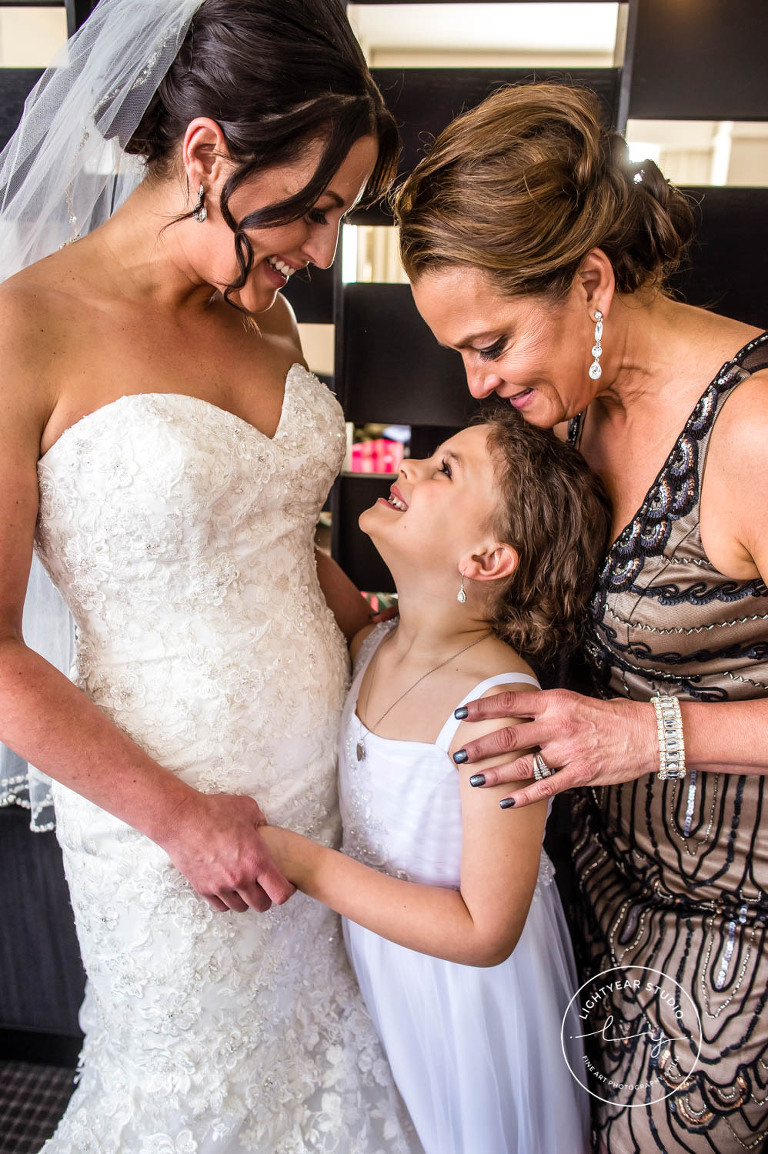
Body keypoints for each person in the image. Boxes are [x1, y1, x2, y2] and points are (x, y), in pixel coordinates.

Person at [0, 0, 422, 1149]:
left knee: (332, 1069)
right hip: (171, 820)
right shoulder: (26, 331)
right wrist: (182, 820)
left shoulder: (266, 317)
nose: (322, 251)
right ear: (204, 153)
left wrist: (406, 641)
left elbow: (273, 539)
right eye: (314, 208)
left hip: (328, 788)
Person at [393, 81, 768, 1154]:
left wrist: (642, 734)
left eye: (492, 342)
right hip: (582, 893)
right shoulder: (568, 410)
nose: (476, 382)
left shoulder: (753, 432)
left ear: (591, 280)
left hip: (732, 934)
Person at [259, 405, 609, 1154]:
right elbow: (276, 541)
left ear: (487, 560)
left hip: (466, 1011)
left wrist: (302, 864)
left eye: (445, 469)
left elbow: (486, 931)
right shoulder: (374, 640)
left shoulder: (496, 714)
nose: (408, 465)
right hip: (387, 977)